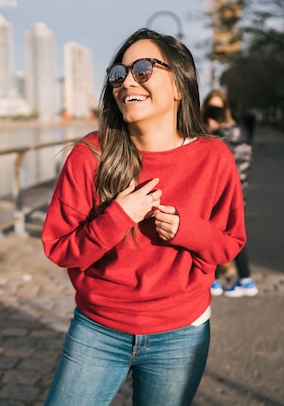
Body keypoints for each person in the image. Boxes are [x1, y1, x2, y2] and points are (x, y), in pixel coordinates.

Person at [41, 28, 247, 406]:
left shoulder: (214, 157)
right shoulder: (90, 154)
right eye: (118, 74)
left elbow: (229, 243)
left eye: (142, 68)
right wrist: (116, 217)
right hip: (97, 328)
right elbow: (58, 248)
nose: (126, 81)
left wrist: (187, 230)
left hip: (181, 332)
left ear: (179, 86)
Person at [202, 89, 258, 297]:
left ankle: (243, 280)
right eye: (211, 107)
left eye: (217, 108)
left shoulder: (225, 134)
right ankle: (226, 280)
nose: (213, 112)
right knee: (217, 233)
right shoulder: (235, 131)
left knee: (228, 234)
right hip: (233, 191)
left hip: (229, 192)